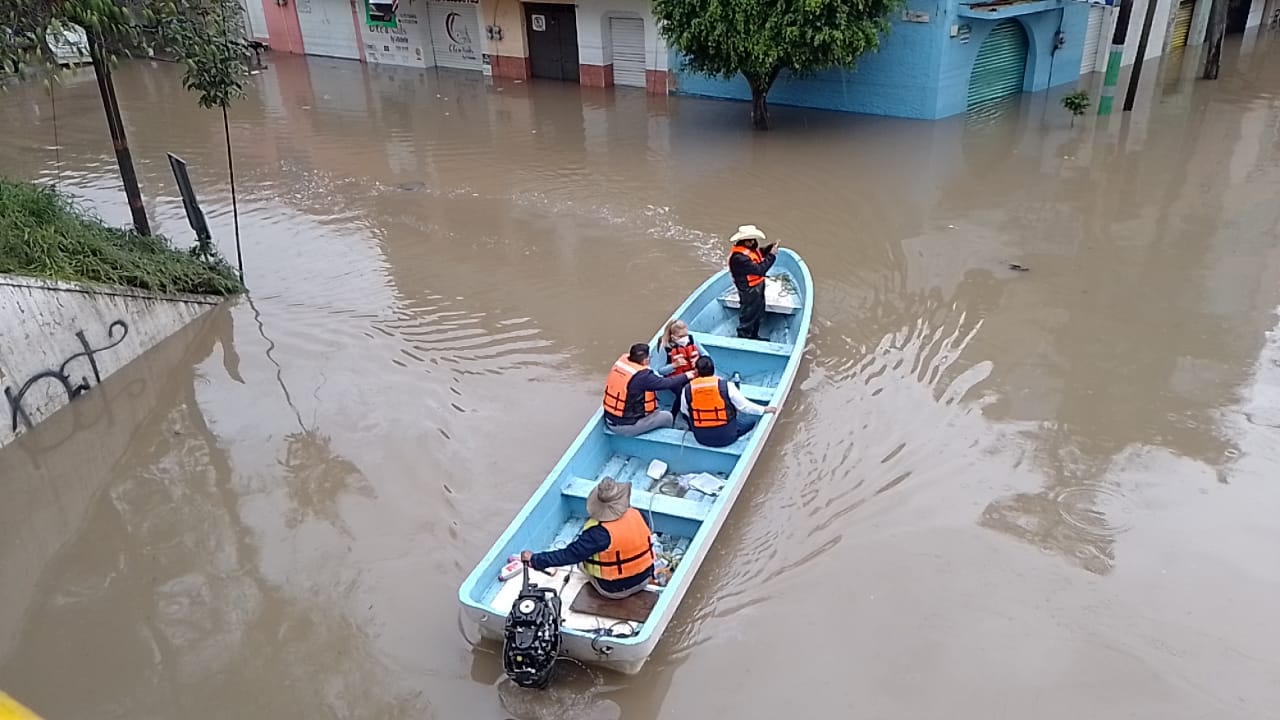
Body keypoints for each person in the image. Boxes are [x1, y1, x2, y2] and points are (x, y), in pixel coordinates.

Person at [521, 478, 654, 599]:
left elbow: (569, 555)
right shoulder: (639, 515)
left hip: (614, 589)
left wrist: (535, 559)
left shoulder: (597, 534)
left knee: (581, 561)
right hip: (644, 579)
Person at [681, 356, 777, 447]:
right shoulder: (727, 386)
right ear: (713, 370)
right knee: (751, 419)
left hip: (701, 438)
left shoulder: (687, 389)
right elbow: (745, 407)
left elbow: (684, 411)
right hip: (727, 437)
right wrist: (764, 409)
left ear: (696, 371)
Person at [603, 343, 694, 437]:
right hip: (626, 426)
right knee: (667, 417)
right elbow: (666, 383)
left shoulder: (622, 364)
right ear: (645, 360)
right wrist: (687, 375)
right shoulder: (642, 376)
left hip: (610, 419)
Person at [727, 224, 778, 340]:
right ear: (747, 242)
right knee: (749, 315)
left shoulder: (748, 251)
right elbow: (760, 270)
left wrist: (768, 249)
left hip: (756, 287)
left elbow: (758, 253)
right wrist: (771, 256)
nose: (755, 242)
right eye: (752, 240)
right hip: (749, 290)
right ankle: (743, 338)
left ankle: (754, 336)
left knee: (758, 313)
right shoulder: (739, 258)